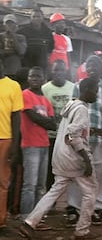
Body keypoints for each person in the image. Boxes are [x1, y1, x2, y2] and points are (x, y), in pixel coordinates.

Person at [18, 77, 100, 240]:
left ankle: (29, 223)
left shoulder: (72, 105)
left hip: (60, 156)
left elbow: (72, 130)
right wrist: (86, 159)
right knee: (91, 191)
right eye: (95, 90)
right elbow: (72, 136)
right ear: (87, 90)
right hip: (73, 158)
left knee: (55, 190)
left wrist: (94, 131)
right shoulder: (82, 109)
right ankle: (82, 231)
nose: (97, 94)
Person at [66, 55, 102, 226]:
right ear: (86, 68)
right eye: (89, 65)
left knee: (101, 174)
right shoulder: (77, 87)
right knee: (77, 172)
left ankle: (97, 208)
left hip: (101, 142)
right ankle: (74, 208)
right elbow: (72, 112)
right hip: (81, 140)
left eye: (96, 65)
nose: (92, 68)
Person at [20, 66, 56, 222]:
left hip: (44, 144)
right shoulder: (24, 95)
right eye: (32, 76)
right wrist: (45, 122)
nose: (34, 79)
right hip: (30, 145)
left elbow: (52, 124)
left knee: (41, 185)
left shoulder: (45, 100)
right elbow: (32, 116)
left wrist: (45, 122)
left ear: (44, 79)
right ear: (28, 78)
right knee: (30, 184)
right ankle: (26, 216)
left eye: (38, 76)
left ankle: (38, 216)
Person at [42, 59, 75, 189]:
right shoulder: (45, 89)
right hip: (50, 136)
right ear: (51, 71)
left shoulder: (73, 87)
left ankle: (70, 204)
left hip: (68, 136)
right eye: (56, 69)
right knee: (50, 168)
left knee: (70, 168)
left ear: (66, 71)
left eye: (61, 69)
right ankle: (51, 201)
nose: (59, 73)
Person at [0, 58, 23, 237]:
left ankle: (0, 220)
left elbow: (16, 116)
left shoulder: (13, 86)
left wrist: (15, 144)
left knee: (2, 182)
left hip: (5, 139)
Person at [18, 8, 54, 74]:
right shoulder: (23, 31)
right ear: (30, 18)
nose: (36, 19)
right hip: (27, 64)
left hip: (42, 66)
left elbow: (50, 48)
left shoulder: (48, 32)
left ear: (42, 18)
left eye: (38, 16)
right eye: (34, 17)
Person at [0, 14, 27, 80]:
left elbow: (21, 51)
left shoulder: (21, 37)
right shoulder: (0, 36)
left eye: (11, 23)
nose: (9, 26)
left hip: (14, 70)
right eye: (7, 23)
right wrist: (12, 52)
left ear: (15, 25)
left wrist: (13, 36)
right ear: (4, 25)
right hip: (2, 70)